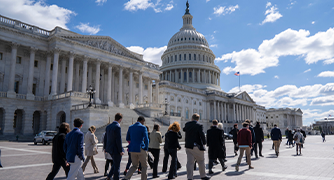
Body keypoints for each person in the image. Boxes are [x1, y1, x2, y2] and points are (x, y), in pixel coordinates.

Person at [183, 113, 210, 180]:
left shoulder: (187, 124)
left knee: (190, 162)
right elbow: (202, 135)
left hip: (189, 146)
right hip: (197, 146)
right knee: (201, 161)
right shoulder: (199, 125)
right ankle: (203, 176)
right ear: (198, 119)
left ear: (192, 118)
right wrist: (204, 142)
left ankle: (189, 177)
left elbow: (184, 129)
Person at [123, 116, 149, 180]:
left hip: (132, 149)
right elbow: (147, 139)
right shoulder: (143, 127)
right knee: (144, 166)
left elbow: (127, 138)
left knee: (134, 165)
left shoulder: (130, 127)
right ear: (142, 121)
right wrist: (146, 148)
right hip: (140, 148)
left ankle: (126, 178)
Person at [104, 113, 125, 180]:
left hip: (109, 148)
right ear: (120, 119)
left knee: (115, 163)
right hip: (115, 149)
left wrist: (105, 147)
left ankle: (109, 176)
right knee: (117, 166)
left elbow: (105, 138)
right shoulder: (117, 127)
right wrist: (120, 150)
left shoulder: (108, 126)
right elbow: (118, 139)